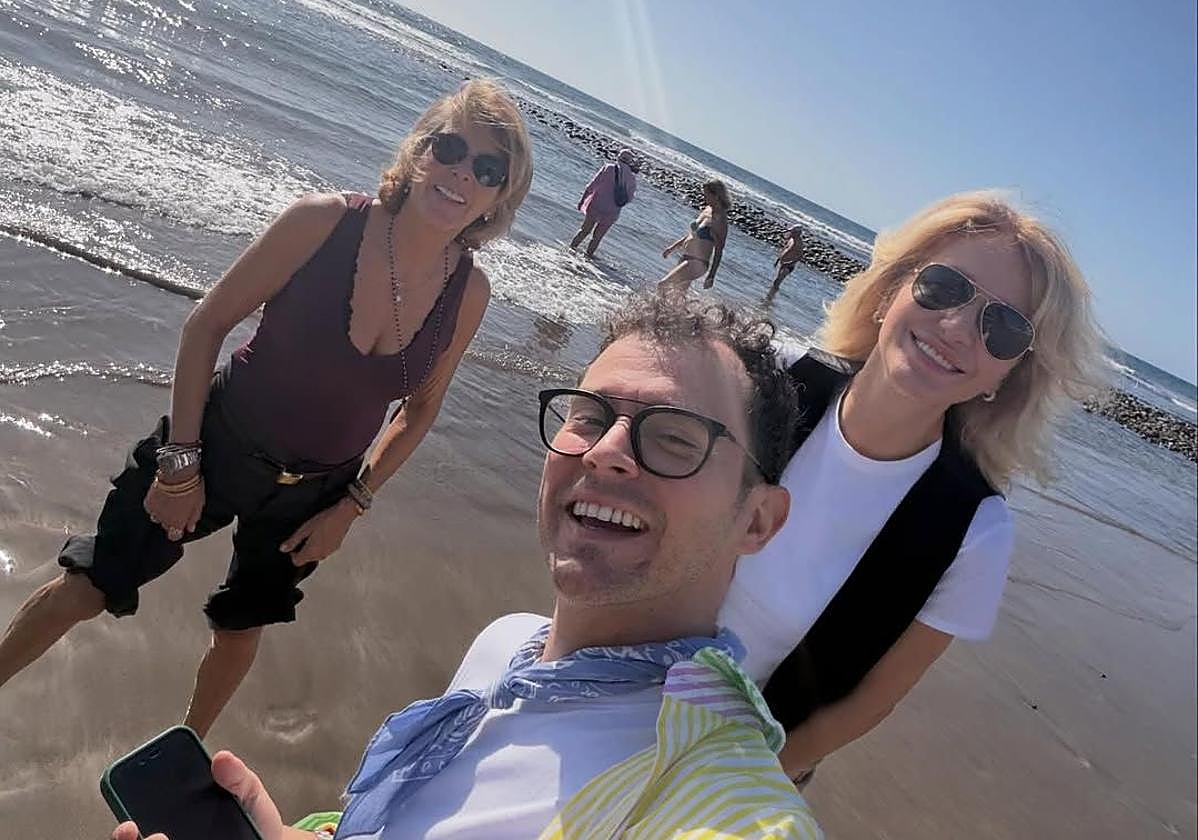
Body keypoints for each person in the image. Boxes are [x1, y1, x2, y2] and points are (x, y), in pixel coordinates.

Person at [112, 295, 823, 840]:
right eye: (588, 414)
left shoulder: (719, 801)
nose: (606, 450)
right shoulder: (508, 644)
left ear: (757, 520)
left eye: (675, 437)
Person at [0, 79, 533, 738]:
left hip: (313, 494)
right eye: (451, 148)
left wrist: (352, 504)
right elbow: (206, 326)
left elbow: (420, 409)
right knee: (89, 585)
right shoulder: (323, 223)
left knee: (240, 630)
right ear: (422, 149)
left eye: (488, 170)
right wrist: (179, 465)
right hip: (216, 442)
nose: (461, 173)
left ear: (500, 198)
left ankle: (183, 757)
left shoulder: (469, 293)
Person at [717, 190, 1106, 786]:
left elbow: (873, 698)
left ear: (1010, 373)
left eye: (1002, 327)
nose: (955, 328)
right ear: (891, 289)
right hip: (609, 679)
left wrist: (744, 780)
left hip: (741, 769)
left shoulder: (973, 530)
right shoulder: (767, 380)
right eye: (945, 287)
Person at [659, 178, 730, 294]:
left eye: (707, 195)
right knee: (676, 297)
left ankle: (653, 311)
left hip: (698, 263)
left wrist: (711, 276)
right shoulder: (707, 209)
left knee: (662, 285)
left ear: (716, 196)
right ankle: (680, 312)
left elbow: (719, 250)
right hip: (686, 258)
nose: (704, 198)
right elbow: (692, 234)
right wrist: (672, 248)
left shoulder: (720, 219)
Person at [568, 148, 638, 258]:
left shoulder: (608, 168)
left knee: (584, 231)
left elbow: (591, 186)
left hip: (596, 205)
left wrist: (582, 201)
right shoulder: (632, 178)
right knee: (597, 237)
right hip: (612, 212)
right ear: (630, 162)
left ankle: (570, 252)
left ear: (618, 157)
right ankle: (587, 258)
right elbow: (629, 199)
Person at [767, 225, 805, 300]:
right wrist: (778, 260)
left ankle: (770, 299)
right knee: (776, 281)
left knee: (777, 282)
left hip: (788, 265)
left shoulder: (799, 244)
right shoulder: (791, 239)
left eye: (793, 232)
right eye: (791, 232)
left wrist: (789, 263)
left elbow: (799, 256)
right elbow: (785, 249)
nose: (791, 233)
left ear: (798, 233)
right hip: (783, 262)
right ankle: (770, 296)